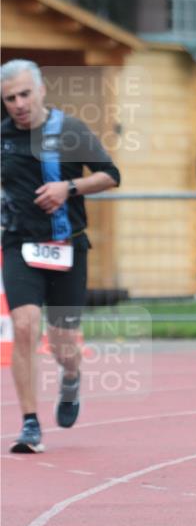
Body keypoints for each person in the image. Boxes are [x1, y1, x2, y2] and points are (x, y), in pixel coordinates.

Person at [1, 59, 121, 453]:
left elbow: (110, 175)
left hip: (67, 247)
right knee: (23, 326)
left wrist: (67, 188)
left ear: (40, 91)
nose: (19, 104)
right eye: (10, 98)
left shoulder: (69, 130)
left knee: (62, 342)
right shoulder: (3, 137)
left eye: (24, 94)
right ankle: (30, 424)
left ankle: (71, 377)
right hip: (19, 245)